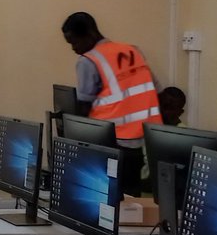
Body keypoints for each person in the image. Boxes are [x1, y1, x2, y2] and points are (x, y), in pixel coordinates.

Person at [62, 12, 162, 197]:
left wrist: (73, 143)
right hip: (140, 143)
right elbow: (155, 90)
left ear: (90, 34)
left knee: (104, 202)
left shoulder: (88, 61)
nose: (74, 48)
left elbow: (83, 108)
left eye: (74, 42)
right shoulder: (133, 51)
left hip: (109, 142)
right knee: (130, 205)